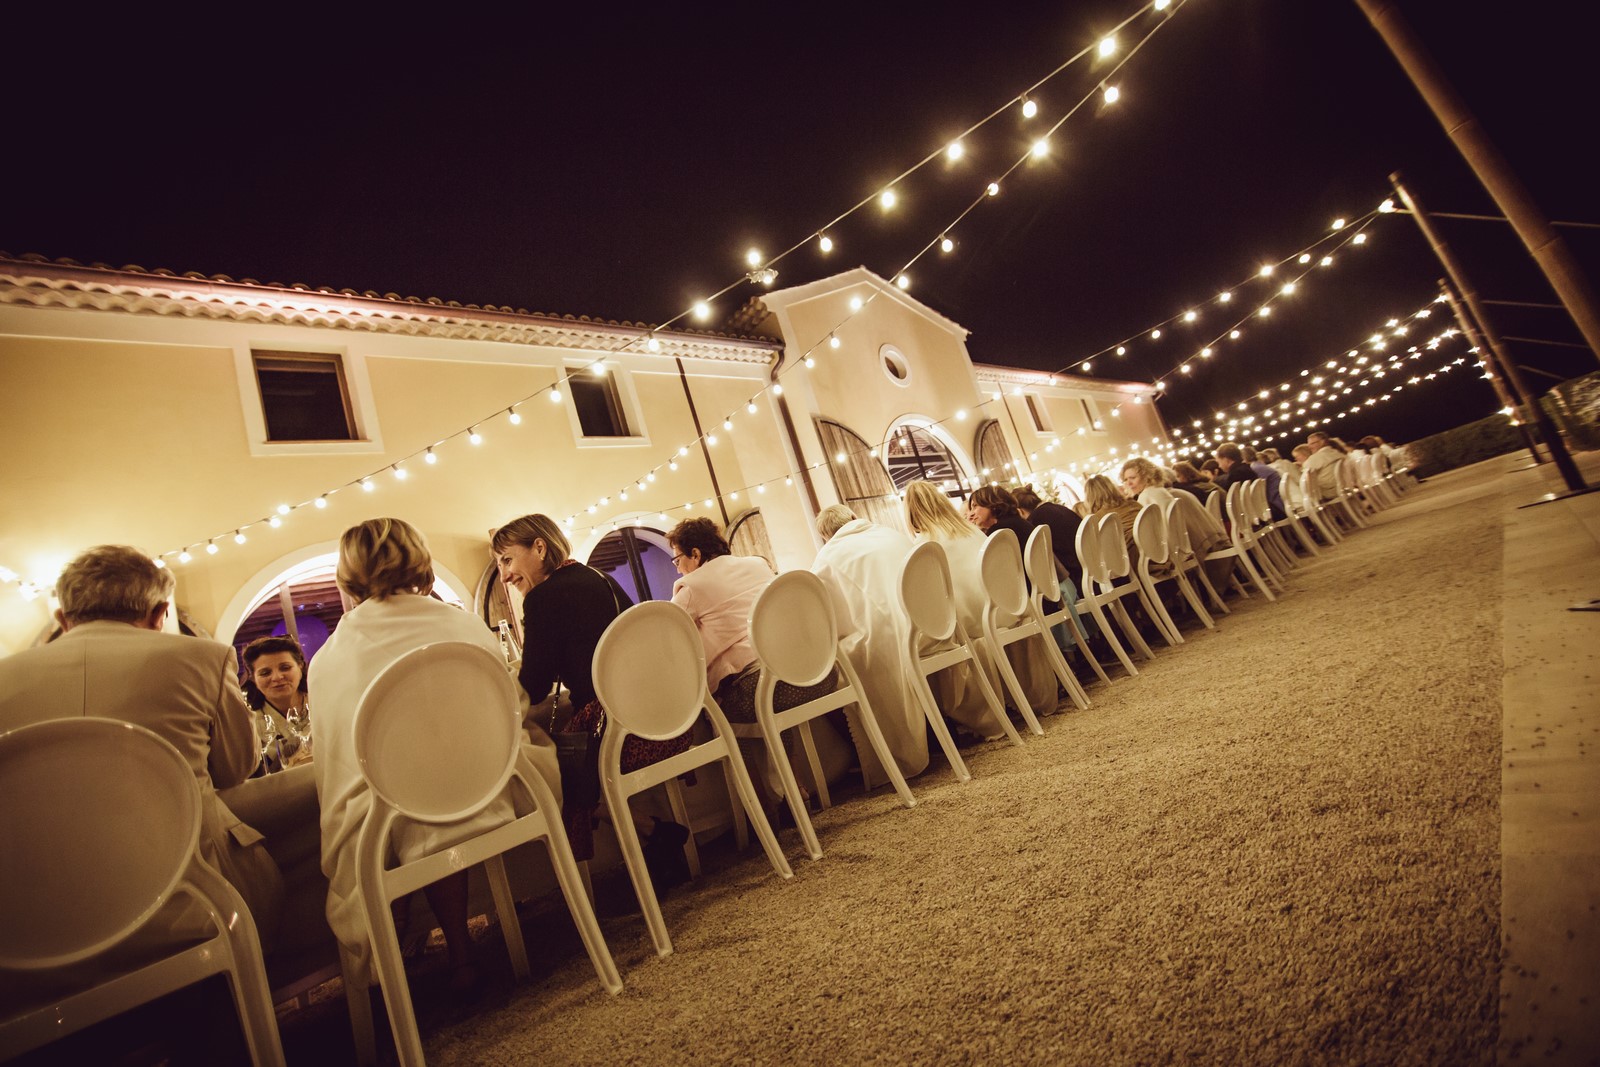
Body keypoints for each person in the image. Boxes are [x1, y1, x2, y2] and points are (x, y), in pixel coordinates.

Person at [309, 517, 560, 993]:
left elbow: (334, 755)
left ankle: (399, 942)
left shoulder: (332, 657)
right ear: (418, 559)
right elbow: (514, 705)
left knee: (388, 803)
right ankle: (457, 950)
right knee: (429, 791)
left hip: (397, 813)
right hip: (494, 787)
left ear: (347, 574)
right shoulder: (460, 621)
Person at [0, 545, 283, 945]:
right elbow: (236, 769)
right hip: (198, 903)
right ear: (159, 613)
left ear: (62, 619)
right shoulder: (204, 658)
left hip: (42, 927)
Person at [492, 514, 691, 864]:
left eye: (508, 560)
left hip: (618, 731)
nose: (505, 575)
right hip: (667, 717)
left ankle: (637, 842)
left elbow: (534, 688)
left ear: (539, 547)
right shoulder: (601, 578)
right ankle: (653, 835)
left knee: (551, 772)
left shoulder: (541, 599)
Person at [666, 517, 848, 796]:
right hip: (819, 673)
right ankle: (793, 787)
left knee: (720, 716)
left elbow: (669, 638)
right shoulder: (758, 565)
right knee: (765, 685)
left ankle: (766, 804)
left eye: (677, 560)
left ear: (695, 554)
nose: (678, 569)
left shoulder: (690, 587)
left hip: (766, 693)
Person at [904, 481, 1046, 737]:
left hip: (975, 625)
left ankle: (960, 722)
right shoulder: (973, 531)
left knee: (918, 646)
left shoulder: (923, 546)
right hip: (1007, 609)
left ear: (912, 514)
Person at [810, 504, 925, 782]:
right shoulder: (891, 535)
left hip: (893, 639)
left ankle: (887, 753)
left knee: (838, 666)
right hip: (930, 626)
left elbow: (828, 620)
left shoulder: (826, 557)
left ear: (825, 536)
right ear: (853, 517)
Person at [242, 634, 311, 772]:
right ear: (253, 678)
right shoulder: (248, 720)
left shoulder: (321, 702)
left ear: (300, 667)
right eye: (265, 673)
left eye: (285, 668)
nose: (277, 677)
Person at [1011, 484, 1083, 593]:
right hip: (1090, 569)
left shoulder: (1036, 521)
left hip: (1075, 578)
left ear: (1020, 511)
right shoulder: (1060, 509)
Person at [966, 484, 1031, 543]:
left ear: (992, 503)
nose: (971, 514)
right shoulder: (1018, 521)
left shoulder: (999, 531)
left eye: (975, 506)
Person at [1301, 431, 1344, 501]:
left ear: (1322, 442)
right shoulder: (1338, 453)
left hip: (1330, 494)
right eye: (1308, 444)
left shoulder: (1316, 458)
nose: (1309, 447)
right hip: (1346, 488)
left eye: (1312, 443)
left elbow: (1306, 478)